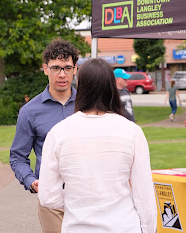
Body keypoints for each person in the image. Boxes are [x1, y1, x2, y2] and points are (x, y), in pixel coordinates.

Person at [38, 58, 157, 233]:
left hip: (78, 226)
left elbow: (48, 196)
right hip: (123, 226)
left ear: (80, 86)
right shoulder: (132, 132)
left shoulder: (58, 133)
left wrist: (76, 205)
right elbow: (144, 195)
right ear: (111, 86)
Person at [10, 39, 79, 233]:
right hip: (52, 198)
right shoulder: (29, 111)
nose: (62, 74)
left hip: (86, 196)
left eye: (67, 68)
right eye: (56, 68)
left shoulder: (88, 105)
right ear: (45, 69)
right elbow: (17, 156)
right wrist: (31, 181)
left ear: (75, 69)